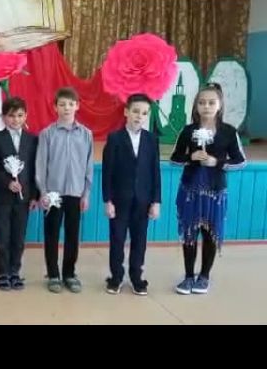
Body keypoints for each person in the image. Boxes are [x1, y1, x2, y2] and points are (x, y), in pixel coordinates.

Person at [171, 81, 246, 293]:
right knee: (189, 233)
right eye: (202, 102)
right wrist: (190, 157)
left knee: (210, 233)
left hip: (215, 192)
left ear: (219, 105)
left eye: (211, 102)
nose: (206, 106)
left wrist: (217, 162)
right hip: (191, 191)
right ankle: (188, 276)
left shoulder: (229, 132)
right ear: (196, 106)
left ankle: (204, 276)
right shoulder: (188, 131)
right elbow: (174, 159)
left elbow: (241, 161)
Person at [101, 93, 161, 294]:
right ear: (126, 112)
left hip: (143, 201)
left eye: (144, 113)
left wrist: (156, 201)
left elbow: (155, 172)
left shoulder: (151, 140)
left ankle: (137, 277)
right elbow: (107, 172)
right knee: (117, 239)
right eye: (135, 111)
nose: (139, 116)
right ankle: (116, 277)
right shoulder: (115, 138)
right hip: (120, 200)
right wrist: (108, 200)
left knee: (139, 240)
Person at [35, 87, 93, 293]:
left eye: (70, 104)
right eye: (62, 104)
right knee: (51, 234)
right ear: (55, 107)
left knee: (72, 235)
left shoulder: (86, 134)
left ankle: (69, 273)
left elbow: (88, 166)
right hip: (53, 194)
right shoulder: (47, 134)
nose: (66, 108)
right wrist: (43, 192)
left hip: (76, 193)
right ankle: (53, 274)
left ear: (77, 106)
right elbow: (41, 165)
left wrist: (86, 194)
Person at [0, 96, 39, 290]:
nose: (15, 120)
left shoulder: (33, 140)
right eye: (11, 116)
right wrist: (7, 182)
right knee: (2, 236)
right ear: (3, 117)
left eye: (19, 115)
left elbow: (35, 170)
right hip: (2, 197)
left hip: (24, 199)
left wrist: (34, 195)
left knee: (19, 236)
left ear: (26, 116)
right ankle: (2, 273)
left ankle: (15, 271)